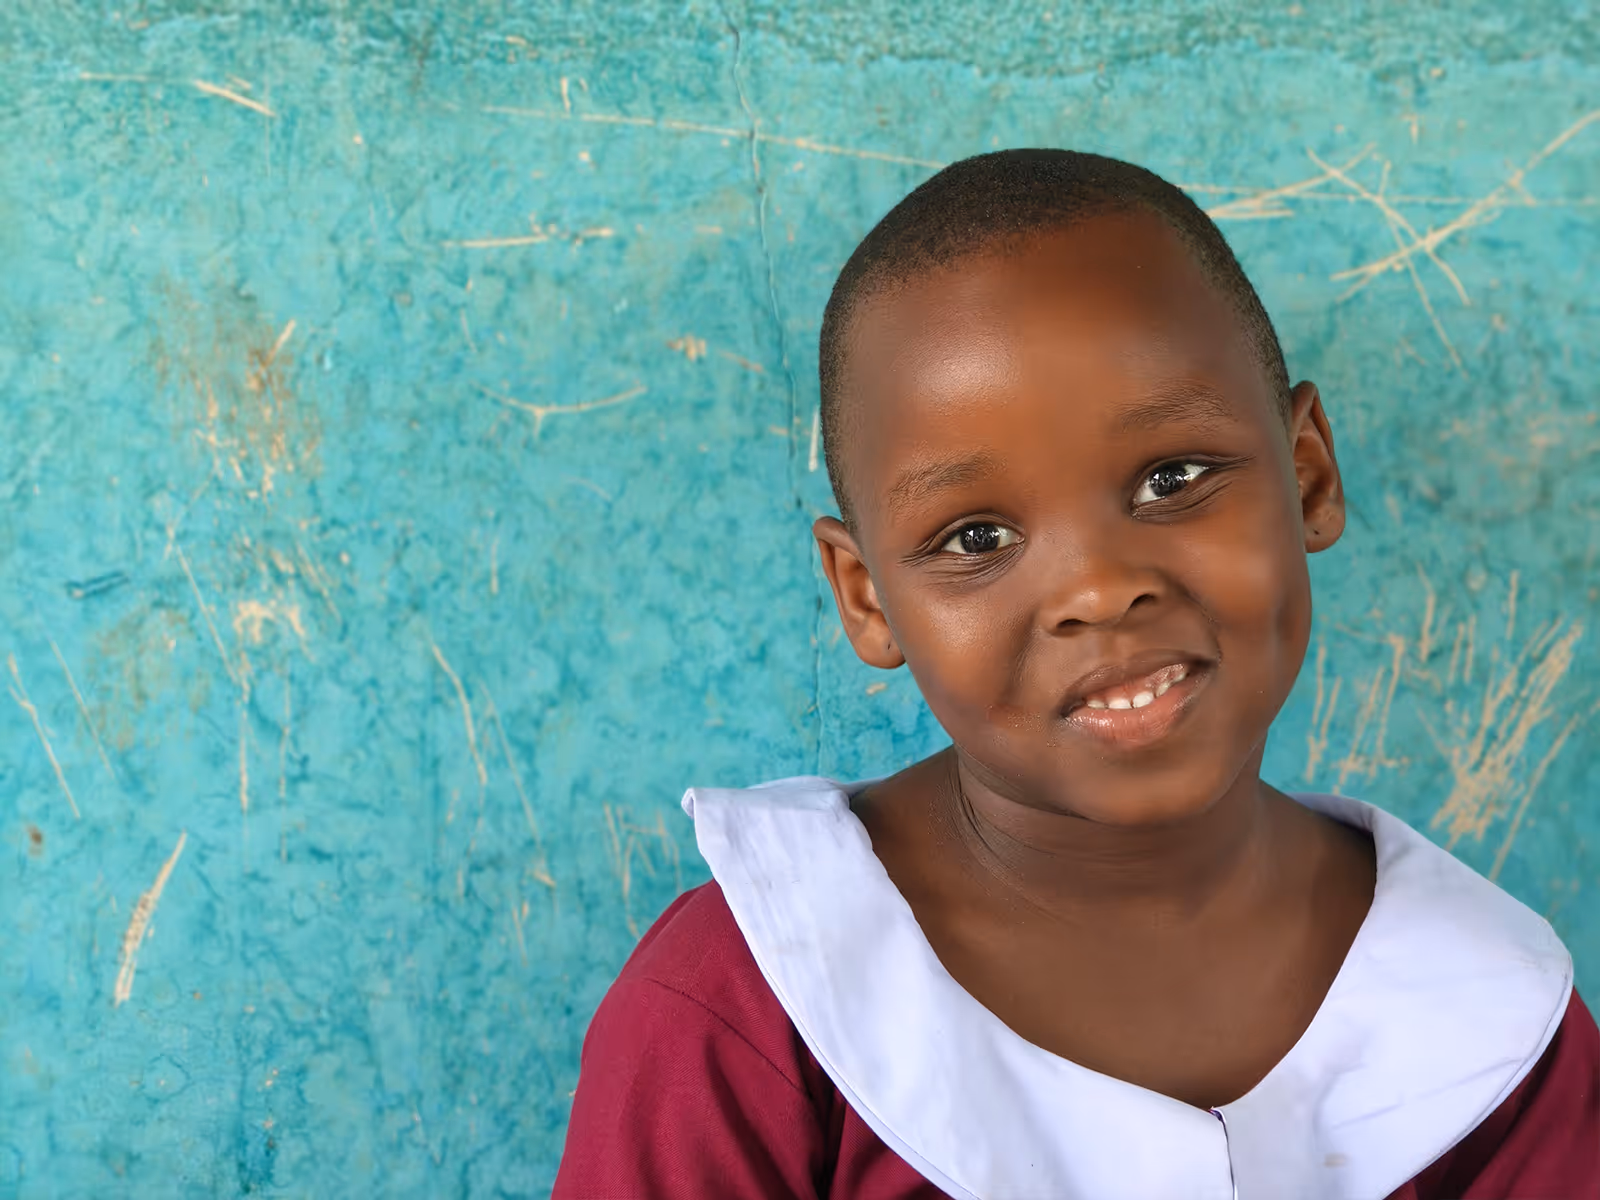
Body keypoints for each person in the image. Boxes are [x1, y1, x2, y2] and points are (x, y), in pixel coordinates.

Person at [552, 150, 1599, 1199]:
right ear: (867, 598)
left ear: (1309, 474)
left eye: (1172, 478)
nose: (1098, 589)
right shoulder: (751, 1006)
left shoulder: (1492, 1018)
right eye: (975, 537)